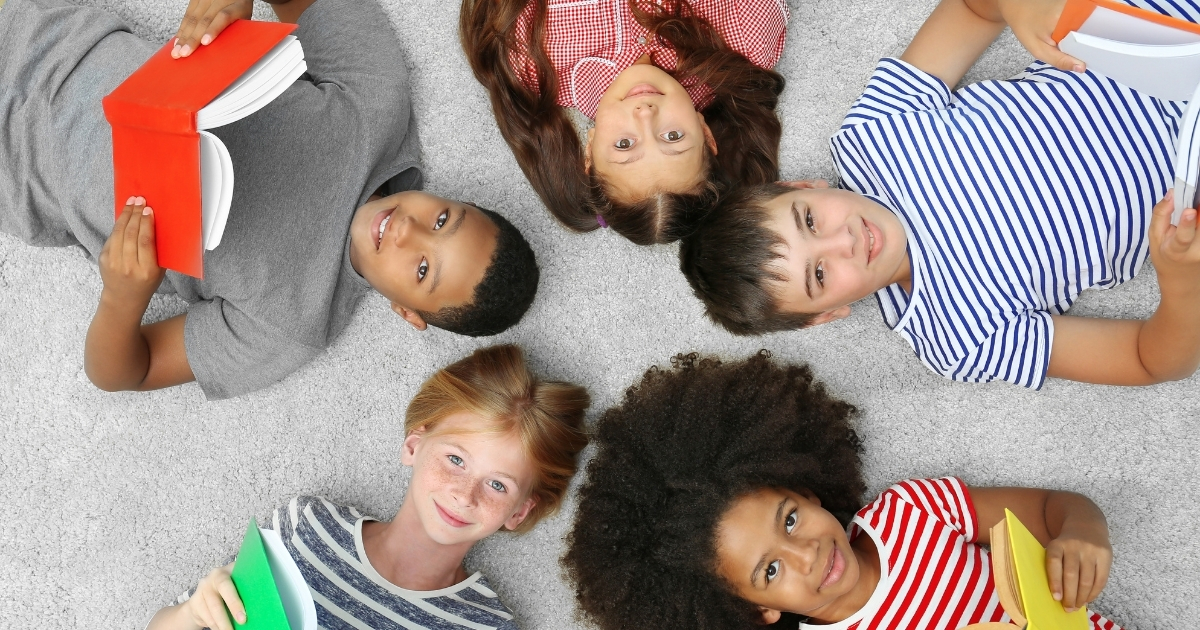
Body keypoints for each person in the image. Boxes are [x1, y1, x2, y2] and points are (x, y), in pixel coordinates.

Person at [0, 0, 540, 400]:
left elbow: (123, 373)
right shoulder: (377, 109)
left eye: (423, 269)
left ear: (407, 312)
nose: (407, 230)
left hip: (17, 171)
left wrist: (123, 296)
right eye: (442, 218)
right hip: (50, 35)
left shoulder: (290, 329)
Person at [680, 0, 1200, 388]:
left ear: (804, 186)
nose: (843, 242)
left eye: (810, 220)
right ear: (828, 316)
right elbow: (1148, 360)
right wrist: (1181, 283)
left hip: (1152, 31)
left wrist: (1017, 8)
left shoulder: (871, 135)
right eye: (819, 275)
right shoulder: (956, 338)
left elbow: (975, 10)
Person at [563, 351, 1122, 630]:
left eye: (788, 520)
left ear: (805, 489)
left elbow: (1053, 509)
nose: (806, 554)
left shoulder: (910, 513)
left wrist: (1082, 532)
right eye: (770, 572)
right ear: (758, 612)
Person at [146, 344, 590, 630]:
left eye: (497, 485)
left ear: (519, 512)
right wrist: (192, 613)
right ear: (413, 445)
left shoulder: (486, 625)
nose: (465, 494)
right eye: (455, 459)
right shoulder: (309, 527)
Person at [459, 0, 787, 245]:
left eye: (625, 144)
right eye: (673, 136)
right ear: (705, 134)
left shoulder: (530, 60)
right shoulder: (744, 44)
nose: (645, 114)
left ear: (589, 152)